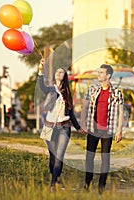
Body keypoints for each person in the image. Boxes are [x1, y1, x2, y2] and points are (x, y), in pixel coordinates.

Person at [37, 59, 87, 193]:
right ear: (54, 76)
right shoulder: (50, 90)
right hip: (48, 127)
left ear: (64, 77)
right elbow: (41, 86)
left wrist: (78, 128)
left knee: (59, 157)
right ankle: (55, 177)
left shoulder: (67, 94)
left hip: (64, 127)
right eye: (58, 72)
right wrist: (40, 70)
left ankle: (53, 184)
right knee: (52, 158)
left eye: (62, 72)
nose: (59, 73)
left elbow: (71, 114)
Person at [81, 64, 124, 195]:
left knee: (105, 159)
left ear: (108, 75)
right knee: (89, 157)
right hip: (93, 129)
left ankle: (101, 188)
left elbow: (121, 112)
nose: (98, 74)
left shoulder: (117, 92)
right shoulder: (92, 89)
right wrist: (83, 123)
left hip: (108, 130)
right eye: (98, 72)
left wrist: (119, 130)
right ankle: (87, 184)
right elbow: (85, 107)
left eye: (101, 72)